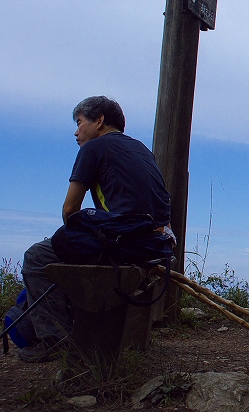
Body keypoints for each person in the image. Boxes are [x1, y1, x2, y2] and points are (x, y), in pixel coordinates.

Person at [19, 96, 172, 362]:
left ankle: (57, 341)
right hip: (156, 244)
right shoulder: (142, 150)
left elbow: (70, 210)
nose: (76, 132)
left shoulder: (93, 149)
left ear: (99, 121)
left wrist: (72, 241)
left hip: (124, 243)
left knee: (37, 256)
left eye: (79, 123)